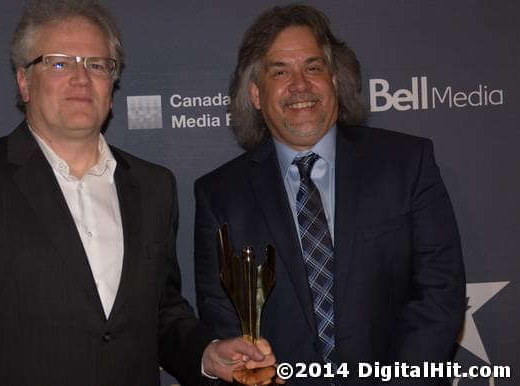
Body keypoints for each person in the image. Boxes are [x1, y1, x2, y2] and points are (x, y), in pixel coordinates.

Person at [0, 1, 276, 385]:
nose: (81, 78)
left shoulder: (154, 187)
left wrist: (206, 353)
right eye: (60, 62)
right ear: (23, 81)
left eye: (97, 64)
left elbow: (161, 314)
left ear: (111, 85)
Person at [194, 4, 465, 385]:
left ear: (335, 80)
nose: (300, 85)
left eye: (313, 67)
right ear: (256, 94)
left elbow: (440, 295)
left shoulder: (407, 163)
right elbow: (220, 316)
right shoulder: (218, 194)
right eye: (280, 72)